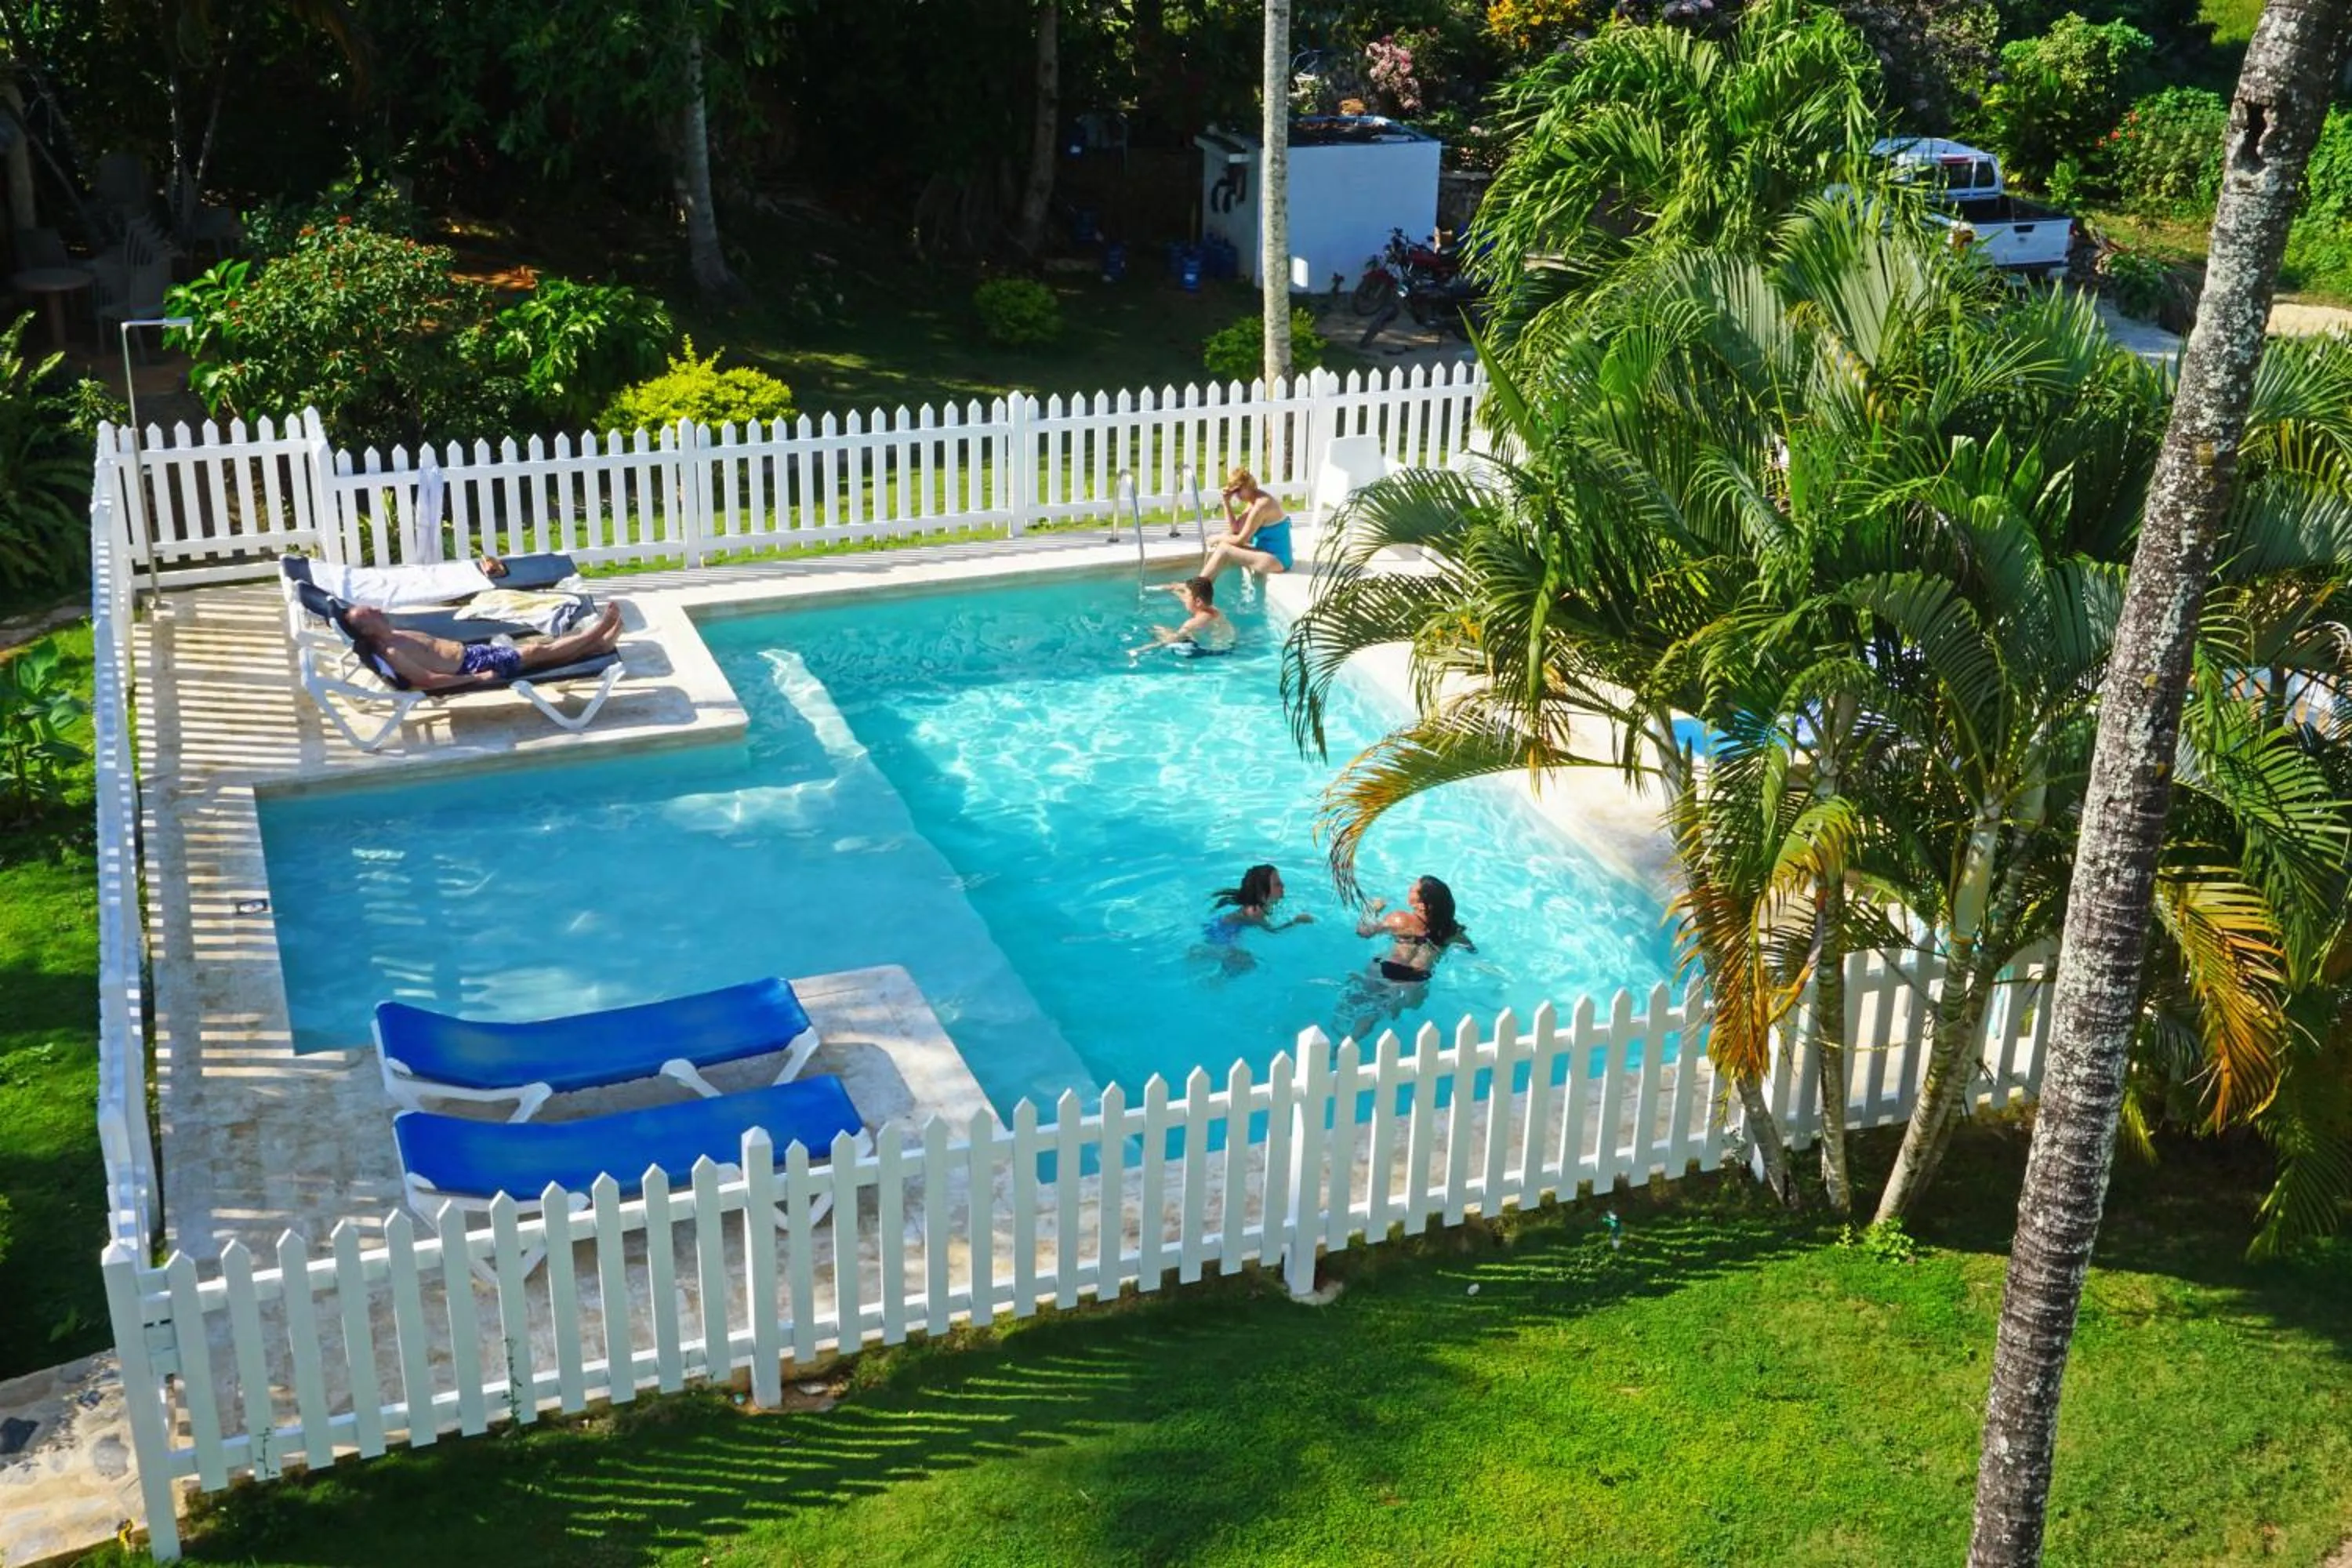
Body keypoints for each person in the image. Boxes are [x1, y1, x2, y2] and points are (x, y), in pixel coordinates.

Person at [338, 601, 625, 691]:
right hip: (472, 666)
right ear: (368, 628)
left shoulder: (394, 633)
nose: (377, 608)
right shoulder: (392, 652)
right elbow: (426, 681)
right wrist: (477, 678)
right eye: (371, 612)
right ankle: (597, 633)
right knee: (536, 653)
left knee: (539, 656)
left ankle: (598, 647)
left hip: (473, 654)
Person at [1334, 875, 1473, 1038]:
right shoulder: (1452, 932)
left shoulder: (1400, 919)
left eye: (1414, 889)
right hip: (1416, 982)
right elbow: (1471, 950)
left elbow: (1363, 932)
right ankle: (1353, 1039)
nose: (1410, 888)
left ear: (1422, 905)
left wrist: (1373, 908)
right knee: (1374, 1014)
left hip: (1386, 972)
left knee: (1352, 1004)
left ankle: (1341, 1045)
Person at [1193, 862, 1314, 975]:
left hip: (1220, 926)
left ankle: (1206, 954)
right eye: (1277, 884)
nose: (1283, 885)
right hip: (1224, 933)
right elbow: (1273, 930)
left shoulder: (1259, 906)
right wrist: (1296, 922)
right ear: (1262, 893)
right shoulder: (1255, 912)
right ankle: (1214, 973)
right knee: (1247, 963)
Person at [1187, 466, 1294, 583]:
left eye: (1238, 490)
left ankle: (1198, 588)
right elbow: (1235, 529)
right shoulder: (1253, 501)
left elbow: (1241, 540)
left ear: (1248, 486)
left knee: (1224, 548)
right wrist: (1226, 502)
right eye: (1234, 491)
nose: (1236, 495)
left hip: (1277, 560)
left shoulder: (1261, 505)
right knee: (1226, 537)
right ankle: (1201, 585)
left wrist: (1217, 538)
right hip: (1264, 553)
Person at [1132, 575, 1238, 659]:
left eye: (1187, 596)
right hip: (1229, 648)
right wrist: (1173, 589)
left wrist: (1140, 650)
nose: (1184, 599)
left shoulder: (1193, 623)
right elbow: (1189, 600)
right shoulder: (1214, 610)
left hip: (1209, 652)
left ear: (1198, 601)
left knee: (1158, 630)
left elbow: (1171, 640)